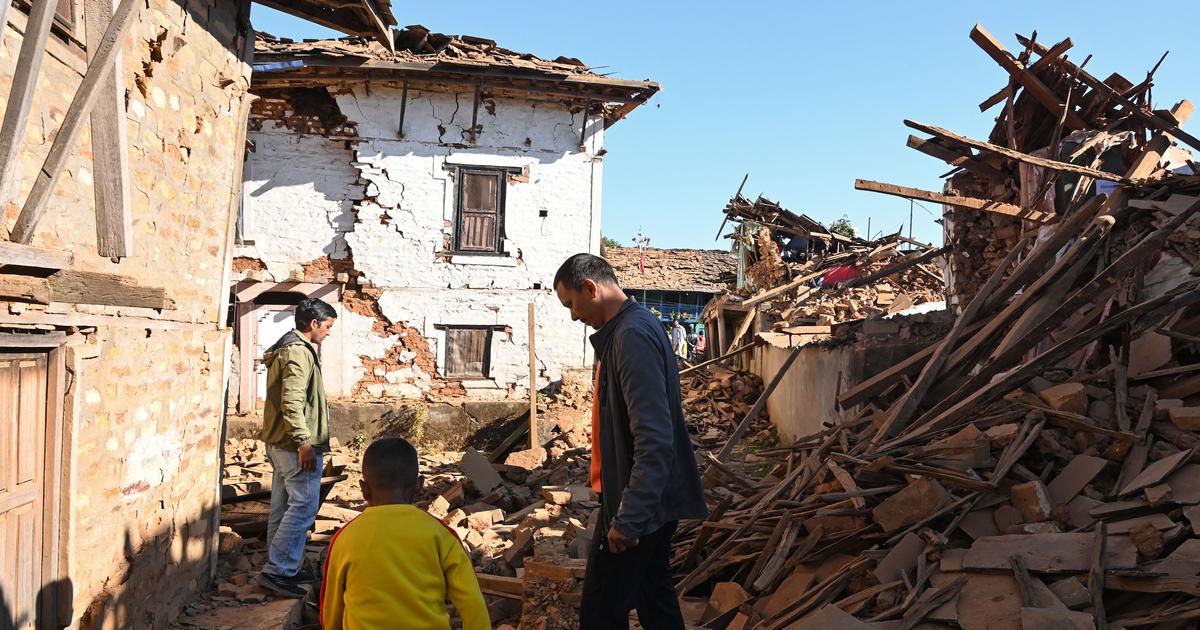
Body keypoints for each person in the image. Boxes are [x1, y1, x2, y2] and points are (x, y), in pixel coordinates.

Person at [553, 254, 707, 630]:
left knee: (601, 612)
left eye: (571, 304)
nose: (573, 316)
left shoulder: (631, 336)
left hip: (640, 502)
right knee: (654, 599)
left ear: (590, 288)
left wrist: (630, 517)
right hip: (646, 498)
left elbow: (654, 438)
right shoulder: (631, 329)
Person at [320, 437, 489, 630]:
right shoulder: (440, 534)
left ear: (364, 489)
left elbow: (331, 614)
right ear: (419, 485)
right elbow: (473, 604)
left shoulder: (344, 538)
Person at [258, 297, 337, 598]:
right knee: (303, 505)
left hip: (280, 442)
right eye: (327, 326)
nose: (328, 332)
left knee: (283, 504)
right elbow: (291, 401)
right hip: (294, 444)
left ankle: (279, 563)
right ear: (314, 324)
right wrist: (305, 442)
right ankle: (279, 570)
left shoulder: (289, 347)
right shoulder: (298, 352)